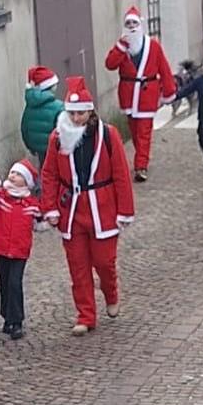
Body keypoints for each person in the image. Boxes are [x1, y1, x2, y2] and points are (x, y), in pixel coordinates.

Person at [41, 76, 134, 335]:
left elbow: (120, 174)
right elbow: (48, 173)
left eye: (81, 113)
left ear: (90, 111)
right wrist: (49, 207)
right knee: (78, 266)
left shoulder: (108, 135)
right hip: (72, 209)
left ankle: (111, 290)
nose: (76, 118)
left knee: (104, 262)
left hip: (102, 207)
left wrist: (124, 210)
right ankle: (85, 314)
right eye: (71, 113)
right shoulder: (57, 138)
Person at [0, 159, 45, 340]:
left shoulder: (31, 205)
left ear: (27, 181)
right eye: (12, 172)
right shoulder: (0, 198)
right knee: (4, 283)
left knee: (14, 283)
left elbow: (41, 223)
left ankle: (17, 320)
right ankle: (7, 317)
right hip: (1, 248)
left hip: (20, 250)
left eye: (19, 174)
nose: (13, 175)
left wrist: (52, 217)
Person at [104, 6, 177, 182]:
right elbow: (110, 64)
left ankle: (140, 166)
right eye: (128, 23)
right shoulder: (121, 47)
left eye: (134, 23)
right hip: (128, 94)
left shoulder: (153, 45)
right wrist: (120, 48)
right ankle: (141, 156)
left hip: (146, 93)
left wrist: (169, 91)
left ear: (140, 24)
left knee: (144, 131)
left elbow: (164, 69)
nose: (131, 26)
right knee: (135, 131)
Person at [20, 65, 65, 168]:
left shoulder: (29, 107)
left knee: (45, 172)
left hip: (40, 151)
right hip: (57, 151)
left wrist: (31, 147)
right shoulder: (58, 107)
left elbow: (24, 129)